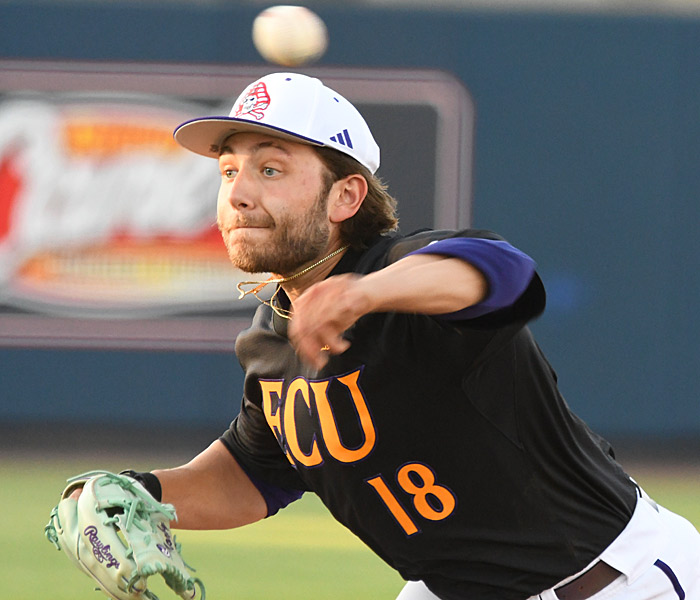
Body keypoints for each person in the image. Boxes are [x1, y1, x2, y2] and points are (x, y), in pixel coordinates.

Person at [80, 72, 700, 599]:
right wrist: (134, 491)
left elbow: (506, 274)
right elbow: (254, 473)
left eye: (271, 169)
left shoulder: (404, 274)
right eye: (228, 171)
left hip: (612, 580)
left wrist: (363, 293)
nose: (239, 193)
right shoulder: (274, 337)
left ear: (345, 195)